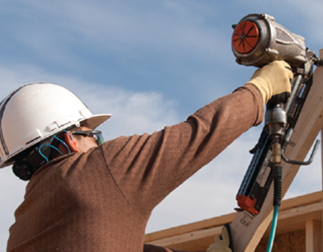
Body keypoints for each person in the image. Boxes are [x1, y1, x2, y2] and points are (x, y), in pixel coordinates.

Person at [1, 61, 292, 252]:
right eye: (93, 135)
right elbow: (199, 135)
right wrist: (260, 89)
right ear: (70, 141)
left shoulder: (21, 232)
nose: (100, 144)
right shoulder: (99, 171)